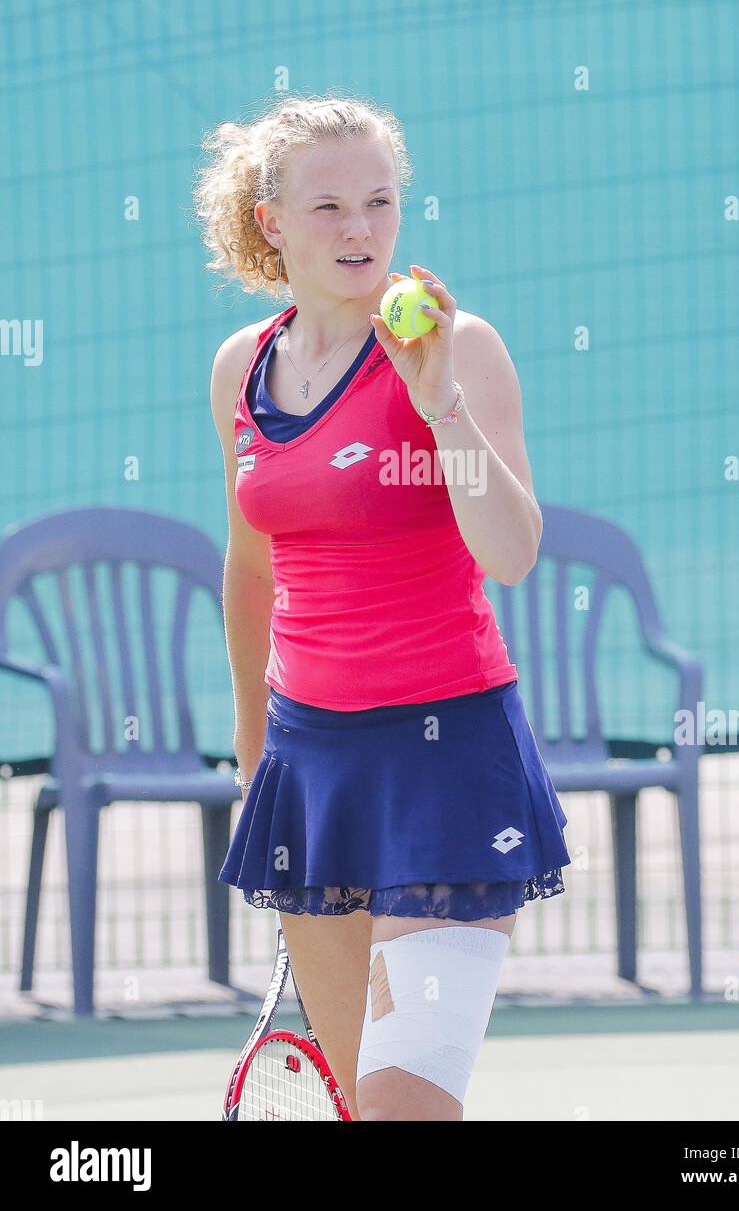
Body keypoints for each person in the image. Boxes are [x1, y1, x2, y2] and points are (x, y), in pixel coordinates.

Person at [194, 92, 570, 1122]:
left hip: (447, 761)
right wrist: (248, 744)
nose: (359, 229)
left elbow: (513, 553)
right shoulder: (241, 367)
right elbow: (252, 568)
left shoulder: (461, 349)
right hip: (311, 768)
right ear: (271, 221)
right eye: (328, 207)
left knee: (405, 1100)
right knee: (363, 1106)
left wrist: (438, 394)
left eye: (379, 201)